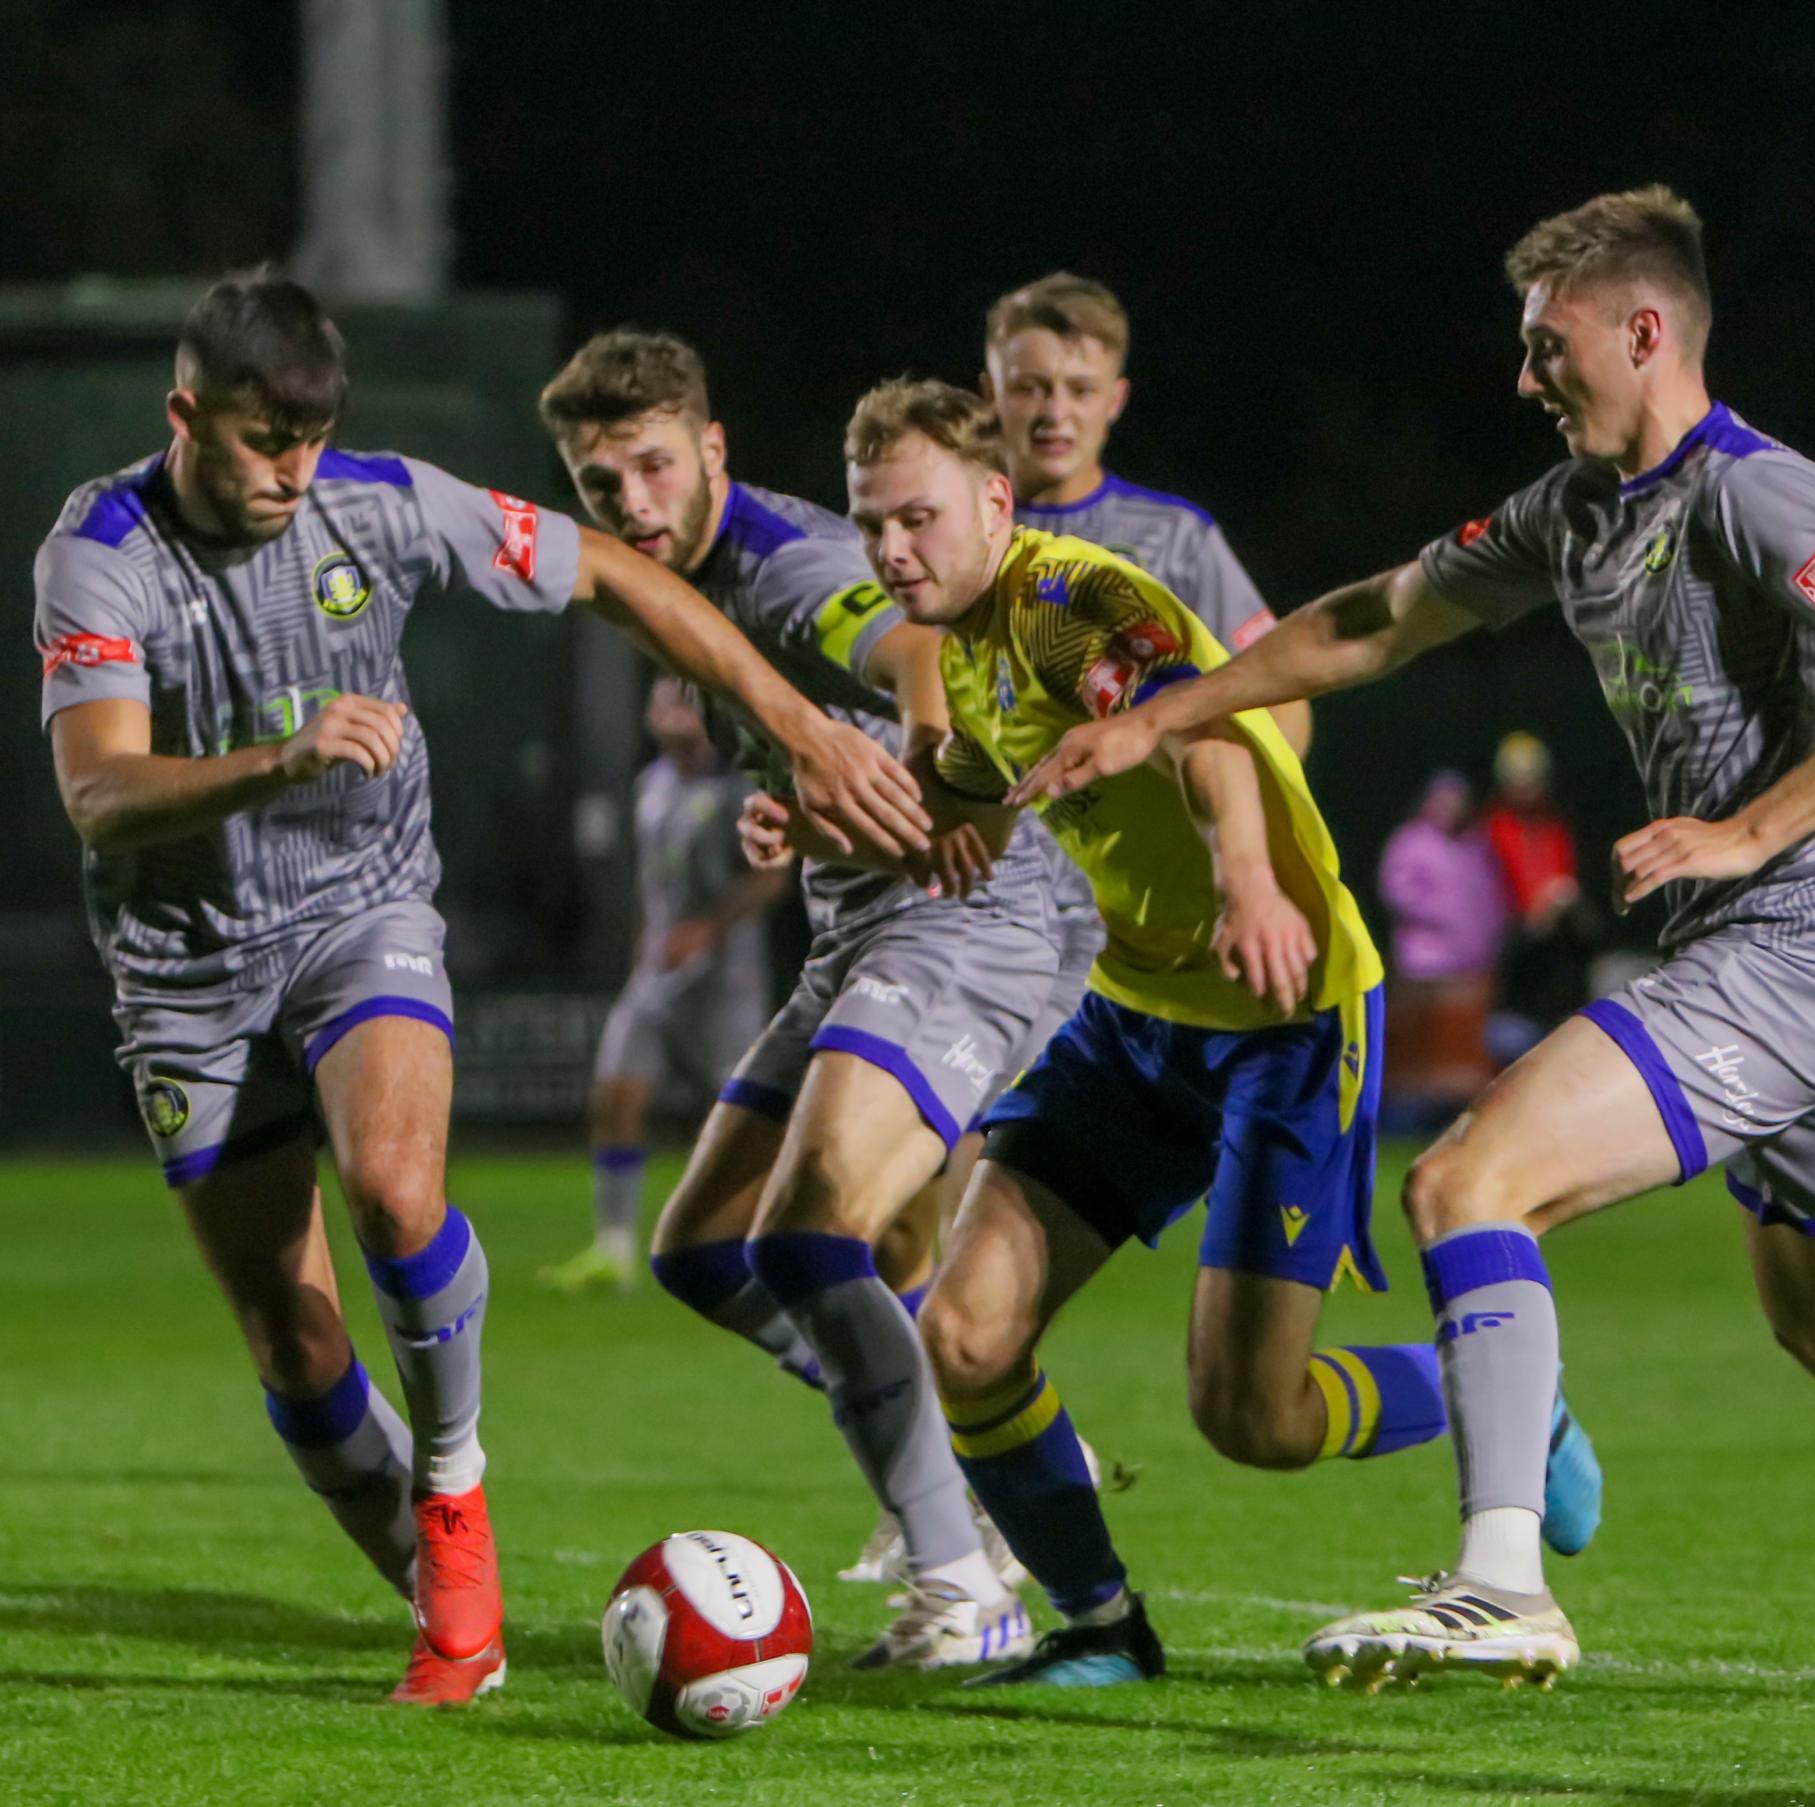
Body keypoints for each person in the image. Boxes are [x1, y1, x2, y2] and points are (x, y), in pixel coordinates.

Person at [1014, 186, 1815, 1707]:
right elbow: (1376, 617)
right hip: (1806, 967)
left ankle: (1503, 1581)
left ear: (1641, 331)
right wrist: (1166, 710)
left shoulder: (1756, 489)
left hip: (1794, 951)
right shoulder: (1572, 509)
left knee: (1468, 1180)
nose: (1525, 376)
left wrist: (1748, 831)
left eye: (1547, 345)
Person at [34, 273, 928, 1706]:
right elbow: (98, 789)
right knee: (292, 1326)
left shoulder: (382, 501)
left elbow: (619, 573)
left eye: (313, 440)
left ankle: (455, 1492)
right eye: (263, 441)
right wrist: (288, 753)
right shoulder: (101, 546)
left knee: (396, 1190)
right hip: (184, 969)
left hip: (358, 912)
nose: (291, 474)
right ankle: (453, 1586)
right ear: (185, 416)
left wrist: (800, 726)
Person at [833, 374, 1513, 1691]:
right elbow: (969, 787)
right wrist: (829, 820)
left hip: (1288, 1017)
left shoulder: (1069, 601)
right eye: (872, 525)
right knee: (965, 1332)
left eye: (914, 517)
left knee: (1253, 1415)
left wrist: (1252, 883)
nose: (890, 550)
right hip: (1137, 1018)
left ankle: (1503, 1394)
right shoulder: (962, 635)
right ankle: (1100, 1625)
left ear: (992, 500)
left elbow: (1207, 736)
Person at [538, 330, 1067, 1669]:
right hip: (859, 926)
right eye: (605, 489)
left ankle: (964, 1573)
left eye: (656, 468)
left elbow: (918, 654)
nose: (635, 507)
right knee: (708, 1249)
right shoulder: (665, 578)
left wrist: (937, 767)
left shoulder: (786, 564)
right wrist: (805, 807)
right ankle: (953, 1470)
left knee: (820, 1232)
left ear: (713, 449)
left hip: (964, 916)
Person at [984, 272, 1308, 757]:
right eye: (1030, 388)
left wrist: (1246, 814)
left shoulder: (1178, 538)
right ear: (991, 393)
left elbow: (1282, 695)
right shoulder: (945, 531)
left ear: (1115, 400)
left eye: (1081, 389)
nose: (1055, 412)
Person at [539, 679, 783, 1293]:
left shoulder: (740, 788)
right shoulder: (650, 787)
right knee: (616, 1095)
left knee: (732, 1119)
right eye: (664, 705)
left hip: (726, 980)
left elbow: (772, 881)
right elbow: (652, 889)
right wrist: (644, 952)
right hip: (656, 975)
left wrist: (709, 928)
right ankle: (614, 1248)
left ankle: (754, 1243)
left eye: (686, 706)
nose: (673, 717)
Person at [1378, 769, 1506, 1122]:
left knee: (1461, 1051)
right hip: (1424, 964)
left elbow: (1487, 896)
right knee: (1421, 1049)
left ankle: (1459, 1113)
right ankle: (1403, 1116)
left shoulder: (1472, 845)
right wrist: (1439, 914)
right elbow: (1396, 889)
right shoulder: (1412, 840)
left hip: (1468, 963)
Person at [1480, 731, 1595, 1056]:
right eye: (1518, 777)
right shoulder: (1492, 827)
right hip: (1513, 976)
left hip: (1560, 972)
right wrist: (1531, 918)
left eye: (1533, 776)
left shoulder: (1557, 825)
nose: (1526, 785)